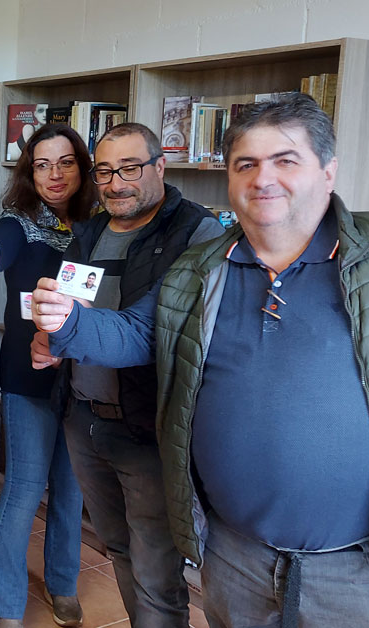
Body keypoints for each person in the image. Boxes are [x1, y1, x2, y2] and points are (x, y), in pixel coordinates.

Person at [31, 93, 369, 628]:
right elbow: (141, 332)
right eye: (246, 164)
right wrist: (68, 324)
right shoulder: (201, 268)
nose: (264, 179)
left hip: (363, 572)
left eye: (285, 160)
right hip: (234, 561)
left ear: (327, 171)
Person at [53, 122, 222, 628]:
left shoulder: (197, 232)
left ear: (160, 166)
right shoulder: (88, 231)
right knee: (120, 551)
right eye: (104, 171)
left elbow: (149, 332)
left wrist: (66, 327)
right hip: (84, 419)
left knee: (156, 570)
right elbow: (73, 309)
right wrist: (51, 342)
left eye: (130, 168)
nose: (116, 182)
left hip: (147, 428)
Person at [0, 123, 93, 628]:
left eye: (64, 163)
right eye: (42, 165)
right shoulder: (18, 221)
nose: (54, 175)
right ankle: (8, 607)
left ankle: (63, 586)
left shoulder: (100, 225)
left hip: (85, 378)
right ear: (29, 172)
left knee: (71, 489)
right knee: (22, 489)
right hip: (29, 376)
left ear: (81, 167)